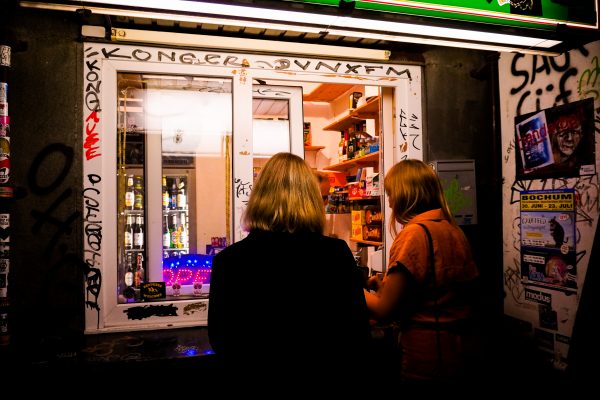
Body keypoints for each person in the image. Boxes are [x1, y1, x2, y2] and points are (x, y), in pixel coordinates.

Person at [208, 152, 370, 386]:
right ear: (311, 199)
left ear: (259, 197)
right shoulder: (335, 254)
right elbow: (356, 334)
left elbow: (221, 339)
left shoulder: (229, 260)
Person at [364, 159, 480, 383]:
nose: (389, 203)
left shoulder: (414, 234)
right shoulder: (452, 230)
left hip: (425, 357)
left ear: (406, 195)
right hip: (457, 352)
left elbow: (384, 310)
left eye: (391, 194)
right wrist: (384, 287)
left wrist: (346, 287)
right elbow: (434, 290)